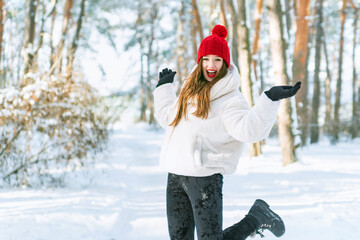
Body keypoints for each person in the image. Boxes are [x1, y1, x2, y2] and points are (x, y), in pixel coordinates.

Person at [153, 24, 301, 240]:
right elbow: (169, 118)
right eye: (206, 59)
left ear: (225, 63)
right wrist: (163, 90)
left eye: (217, 60)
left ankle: (255, 219)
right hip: (175, 175)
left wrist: (269, 100)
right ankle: (257, 216)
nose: (210, 65)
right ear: (200, 61)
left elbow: (248, 129)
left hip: (204, 178)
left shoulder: (230, 99)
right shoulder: (189, 90)